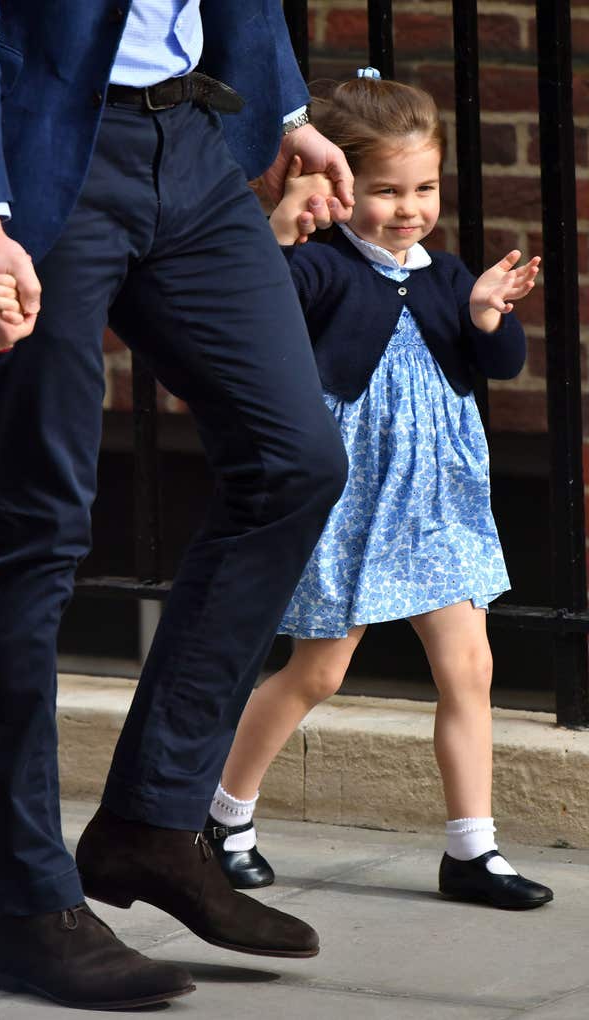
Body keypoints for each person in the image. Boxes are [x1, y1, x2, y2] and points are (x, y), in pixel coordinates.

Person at [0, 3, 353, 1010]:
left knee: (293, 460)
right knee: (35, 529)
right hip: (42, 153)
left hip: (191, 147)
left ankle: (151, 824)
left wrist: (286, 110)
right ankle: (33, 908)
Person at [204, 69, 554, 913]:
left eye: (426, 187)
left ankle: (473, 849)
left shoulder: (446, 274)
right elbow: (263, 316)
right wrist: (281, 235)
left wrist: (483, 316)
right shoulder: (322, 268)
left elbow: (498, 368)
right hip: (353, 495)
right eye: (388, 190)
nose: (410, 209)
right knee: (319, 673)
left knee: (470, 666)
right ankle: (222, 817)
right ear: (340, 184)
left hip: (439, 500)